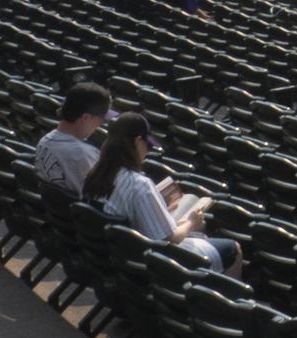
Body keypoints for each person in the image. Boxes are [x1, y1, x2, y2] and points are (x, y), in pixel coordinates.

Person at [80, 114, 239, 274]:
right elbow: (171, 239)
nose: (147, 151)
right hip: (152, 265)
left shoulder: (94, 174)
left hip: (117, 256)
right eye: (147, 145)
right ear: (137, 141)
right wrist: (191, 222)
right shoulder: (140, 185)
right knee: (233, 248)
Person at [34, 83, 110, 196]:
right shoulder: (84, 154)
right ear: (86, 118)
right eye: (101, 120)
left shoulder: (44, 141)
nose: (100, 125)